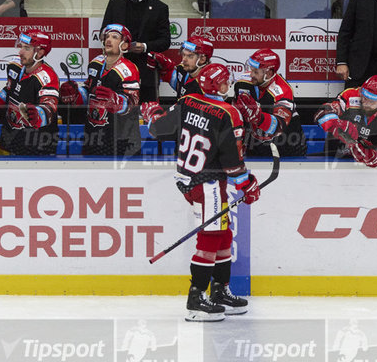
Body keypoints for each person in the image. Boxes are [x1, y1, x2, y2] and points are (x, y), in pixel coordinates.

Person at [143, 61, 257, 320]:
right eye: (226, 81)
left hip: (188, 179)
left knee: (224, 233)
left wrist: (152, 113)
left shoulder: (187, 100)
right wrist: (247, 183)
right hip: (209, 183)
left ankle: (219, 290)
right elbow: (232, 161)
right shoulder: (228, 112)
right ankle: (196, 298)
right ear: (219, 85)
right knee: (210, 238)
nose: (230, 85)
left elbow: (158, 129)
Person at [67, 23, 142, 158]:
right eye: (107, 36)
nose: (108, 39)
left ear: (124, 45)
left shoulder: (129, 69)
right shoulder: (95, 63)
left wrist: (116, 100)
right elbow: (89, 90)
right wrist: (76, 94)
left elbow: (132, 103)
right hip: (93, 136)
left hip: (121, 140)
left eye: (114, 37)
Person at [0, 31, 61, 158]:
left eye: (27, 48)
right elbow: (9, 90)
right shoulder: (15, 66)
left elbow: (50, 106)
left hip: (35, 146)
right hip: (8, 139)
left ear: (40, 53)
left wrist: (39, 114)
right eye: (21, 47)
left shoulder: (48, 77)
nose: (20, 52)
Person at [100, 0, 172, 98]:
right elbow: (103, 32)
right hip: (115, 67)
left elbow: (165, 41)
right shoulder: (115, 3)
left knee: (145, 111)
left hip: (145, 70)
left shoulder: (159, 8)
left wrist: (144, 47)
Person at [231, 48, 305, 157]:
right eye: (251, 69)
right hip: (256, 145)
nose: (251, 75)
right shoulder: (243, 84)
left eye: (255, 72)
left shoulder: (283, 91)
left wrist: (258, 117)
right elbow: (235, 116)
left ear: (269, 73)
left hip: (288, 147)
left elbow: (279, 126)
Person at [314, 74, 377, 166]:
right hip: (335, 153)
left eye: (370, 100)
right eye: (363, 96)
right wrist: (337, 125)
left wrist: (375, 156)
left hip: (365, 164)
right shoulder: (350, 95)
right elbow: (320, 114)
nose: (364, 102)